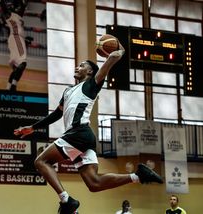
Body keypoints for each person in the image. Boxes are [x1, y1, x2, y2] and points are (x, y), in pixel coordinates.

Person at [14, 39, 163, 214]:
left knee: (41, 161)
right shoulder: (68, 91)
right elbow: (57, 114)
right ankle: (138, 176)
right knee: (94, 184)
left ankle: (66, 200)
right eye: (77, 65)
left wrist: (117, 47)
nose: (77, 67)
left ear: (90, 71)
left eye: (82, 65)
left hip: (78, 133)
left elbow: (114, 57)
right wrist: (33, 127)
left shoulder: (92, 84)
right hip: (82, 137)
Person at [0, 0, 28, 92]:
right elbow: (3, 6)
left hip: (17, 39)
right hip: (16, 39)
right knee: (23, 63)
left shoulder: (18, 15)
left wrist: (24, 3)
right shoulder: (9, 15)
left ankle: (8, 87)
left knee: (17, 67)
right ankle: (13, 86)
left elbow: (23, 6)